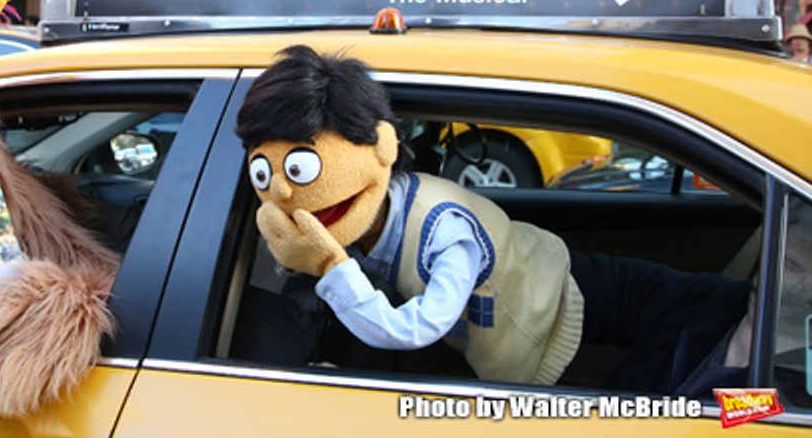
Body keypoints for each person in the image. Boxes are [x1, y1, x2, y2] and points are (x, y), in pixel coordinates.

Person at [236, 45, 753, 396]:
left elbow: (414, 328)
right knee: (710, 325)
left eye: (302, 168)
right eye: (267, 171)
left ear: (384, 148)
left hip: (545, 305)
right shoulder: (326, 222)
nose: (282, 191)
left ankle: (770, 332)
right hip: (526, 286)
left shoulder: (445, 230)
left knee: (693, 369)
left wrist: (330, 269)